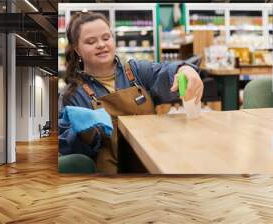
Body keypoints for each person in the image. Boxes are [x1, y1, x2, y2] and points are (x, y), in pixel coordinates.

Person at [58, 12, 203, 174]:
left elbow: (166, 72)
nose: (101, 44)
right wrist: (82, 134)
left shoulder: (136, 72)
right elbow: (72, 156)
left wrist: (185, 70)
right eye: (91, 41)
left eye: (106, 38)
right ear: (77, 49)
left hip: (155, 164)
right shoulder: (72, 97)